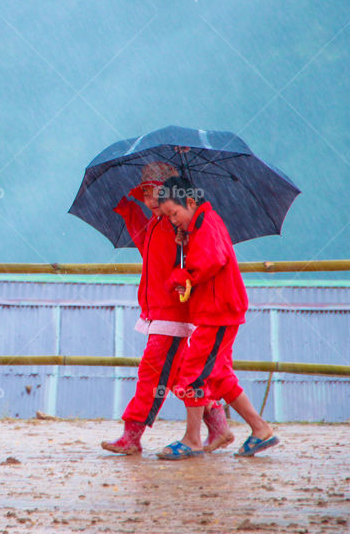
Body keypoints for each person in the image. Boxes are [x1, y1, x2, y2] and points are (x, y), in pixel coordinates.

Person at [101, 163, 231, 455]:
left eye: (155, 194)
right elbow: (143, 245)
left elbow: (197, 260)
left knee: (151, 373)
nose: (149, 201)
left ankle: (132, 434)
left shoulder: (180, 227)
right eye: (145, 194)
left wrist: (183, 242)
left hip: (171, 312)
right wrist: (128, 210)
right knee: (174, 376)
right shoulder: (156, 223)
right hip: (157, 312)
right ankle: (218, 424)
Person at [154, 176, 278, 460]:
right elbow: (207, 255)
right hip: (218, 309)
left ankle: (192, 439)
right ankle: (260, 429)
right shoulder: (200, 225)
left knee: (192, 372)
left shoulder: (207, 223)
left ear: (190, 202)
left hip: (218, 311)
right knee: (219, 375)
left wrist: (182, 274)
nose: (173, 220)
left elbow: (212, 259)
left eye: (174, 213)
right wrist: (186, 242)